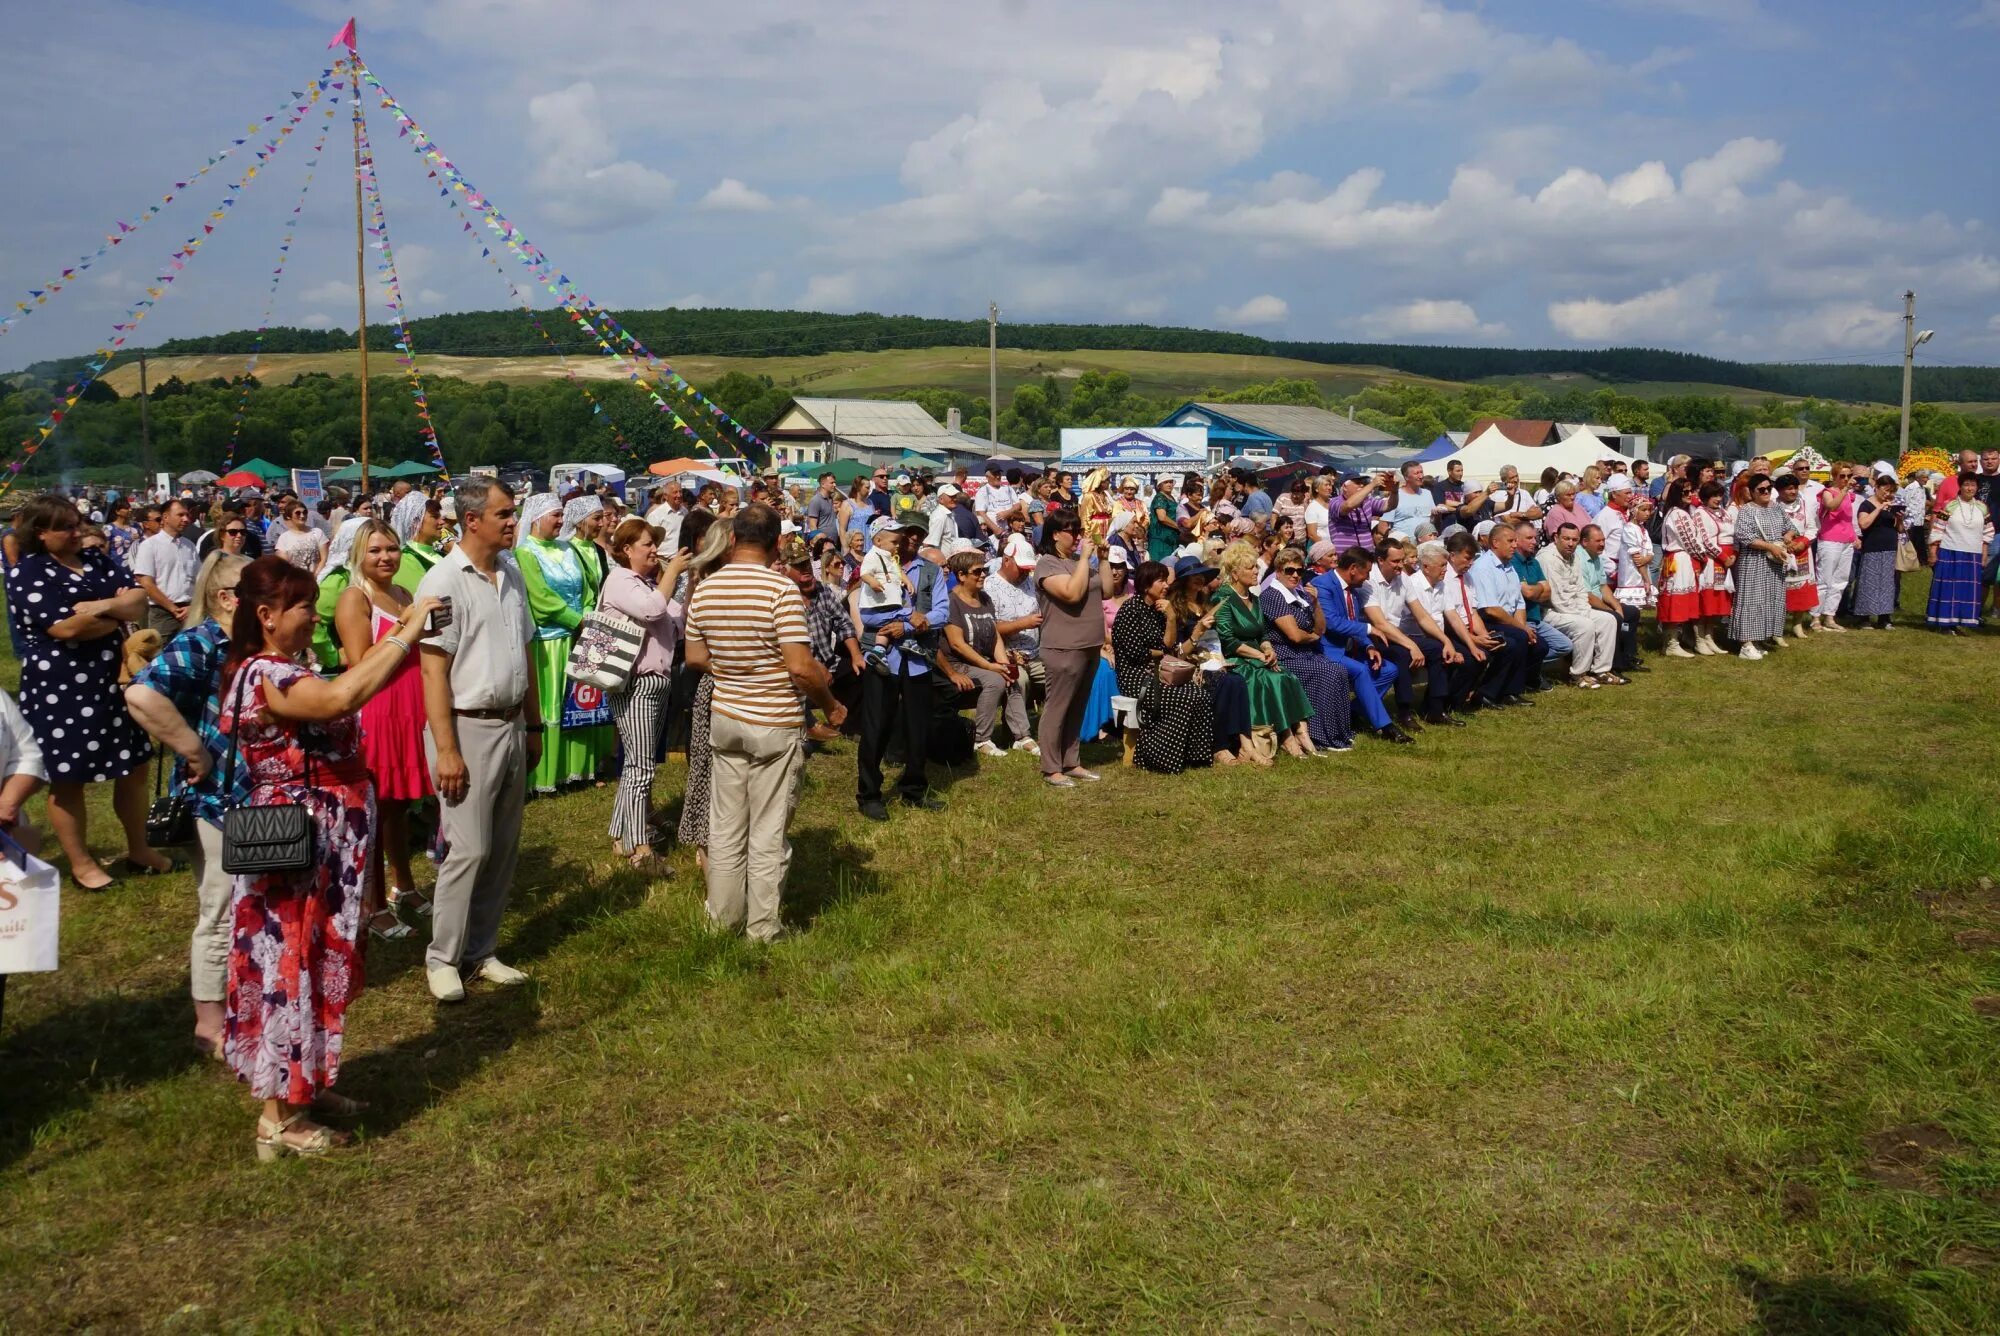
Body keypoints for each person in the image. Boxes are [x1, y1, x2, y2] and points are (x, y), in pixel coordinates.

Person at [214, 556, 440, 1159]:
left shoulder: (283, 667)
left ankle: (304, 1087)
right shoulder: (268, 673)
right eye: (304, 607)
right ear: (266, 615)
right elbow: (343, 695)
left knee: (316, 963)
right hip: (296, 847)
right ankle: (277, 1117)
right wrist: (405, 634)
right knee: (288, 966)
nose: (315, 617)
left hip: (325, 845)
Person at [683, 504, 843, 942]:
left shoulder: (706, 588)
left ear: (732, 539)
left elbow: (695, 657)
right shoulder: (780, 590)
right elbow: (800, 667)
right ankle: (762, 930)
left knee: (727, 829)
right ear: (776, 544)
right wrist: (830, 704)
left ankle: (722, 922)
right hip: (773, 720)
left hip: (726, 718)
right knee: (768, 833)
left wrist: (734, 671)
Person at [415, 479, 540, 1003]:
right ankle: (443, 957)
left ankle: (481, 950)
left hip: (511, 723)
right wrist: (446, 748)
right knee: (469, 848)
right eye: (504, 513)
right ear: (472, 520)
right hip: (466, 726)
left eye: (514, 513)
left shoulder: (510, 571)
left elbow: (526, 650)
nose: (514, 522)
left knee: (503, 847)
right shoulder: (443, 582)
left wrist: (533, 725)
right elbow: (432, 671)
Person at [7, 495, 169, 891]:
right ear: (40, 533)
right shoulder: (26, 573)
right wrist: (112, 619)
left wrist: (102, 606)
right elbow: (64, 629)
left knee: (133, 767)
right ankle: (82, 865)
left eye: (78, 523)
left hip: (111, 681)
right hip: (59, 689)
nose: (77, 531)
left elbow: (136, 601)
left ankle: (139, 849)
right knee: (69, 777)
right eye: (65, 526)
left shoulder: (96, 561)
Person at [124, 551, 249, 1058]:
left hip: (249, 795)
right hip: (213, 798)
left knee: (249, 902)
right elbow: (142, 695)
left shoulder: (246, 642)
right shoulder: (202, 642)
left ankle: (246, 998)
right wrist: (190, 747)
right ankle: (209, 1023)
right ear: (226, 598)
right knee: (218, 908)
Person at [331, 520, 437, 941]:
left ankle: (403, 884)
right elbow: (360, 661)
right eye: (375, 550)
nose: (386, 557)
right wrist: (404, 625)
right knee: (375, 809)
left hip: (410, 705)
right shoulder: (354, 598)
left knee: (398, 805)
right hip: (378, 710)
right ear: (360, 554)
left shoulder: (402, 594)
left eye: (392, 549)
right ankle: (370, 906)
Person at [597, 516, 687, 874]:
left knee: (638, 763)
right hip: (636, 683)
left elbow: (679, 620)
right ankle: (640, 849)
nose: (654, 550)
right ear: (625, 550)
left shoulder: (647, 584)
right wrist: (673, 572)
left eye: (655, 543)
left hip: (655, 682)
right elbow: (653, 609)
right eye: (647, 544)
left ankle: (622, 836)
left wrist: (688, 578)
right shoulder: (621, 581)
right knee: (640, 767)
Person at [515, 493, 611, 793]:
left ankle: (577, 768)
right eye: (555, 515)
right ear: (535, 519)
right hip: (548, 642)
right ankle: (545, 774)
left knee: (577, 702)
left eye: (561, 515)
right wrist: (577, 621)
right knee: (551, 704)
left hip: (576, 636)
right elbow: (540, 598)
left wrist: (586, 615)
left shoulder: (568, 548)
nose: (560, 521)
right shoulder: (526, 553)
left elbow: (585, 588)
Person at [1033, 507, 1121, 788]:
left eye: (1079, 531)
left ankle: (1071, 761)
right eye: (1072, 532)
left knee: (1077, 708)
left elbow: (1106, 590)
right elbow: (1071, 593)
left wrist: (1103, 559)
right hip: (1062, 647)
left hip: (1089, 645)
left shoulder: (1080, 562)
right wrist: (1084, 558)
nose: (1078, 537)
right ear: (1056, 534)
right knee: (1058, 708)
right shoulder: (1047, 564)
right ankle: (1051, 767)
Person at [1307, 543, 1412, 744]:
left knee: (1389, 670)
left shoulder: (1353, 590)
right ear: (1353, 569)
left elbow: (1354, 622)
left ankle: (1352, 713)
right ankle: (1386, 726)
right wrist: (1370, 630)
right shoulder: (1323, 585)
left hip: (1350, 650)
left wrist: (1369, 645)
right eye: (1366, 572)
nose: (1367, 578)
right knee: (1361, 671)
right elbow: (1332, 623)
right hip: (1326, 650)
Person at [675, 520, 735, 862]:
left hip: (721, 681)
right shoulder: (706, 583)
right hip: (716, 681)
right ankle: (706, 843)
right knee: (709, 766)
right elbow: (697, 653)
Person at [1259, 546, 1353, 756]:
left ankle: (1338, 733)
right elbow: (1294, 635)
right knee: (1329, 673)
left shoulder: (1299, 595)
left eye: (1299, 571)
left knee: (1339, 670)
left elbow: (1320, 628)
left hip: (1305, 653)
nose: (1295, 575)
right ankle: (1320, 735)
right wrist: (1312, 636)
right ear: (1278, 571)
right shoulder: (1272, 596)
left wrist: (1316, 603)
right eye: (1289, 570)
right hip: (1284, 656)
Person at [941, 549, 1033, 759]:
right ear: (961, 575)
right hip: (957, 663)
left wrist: (1002, 662)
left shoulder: (984, 598)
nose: (983, 574)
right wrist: (991, 666)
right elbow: (957, 644)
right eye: (977, 571)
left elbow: (994, 636)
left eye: (984, 570)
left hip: (982, 660)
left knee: (1010, 674)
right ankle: (981, 739)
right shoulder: (951, 602)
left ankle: (1022, 736)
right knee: (994, 680)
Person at [1461, 526, 1547, 706]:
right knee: (1516, 640)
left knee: (1539, 645)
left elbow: (1519, 603)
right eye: (1510, 541)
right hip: (1488, 621)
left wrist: (1523, 627)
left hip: (1508, 621)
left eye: (1515, 541)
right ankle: (1488, 692)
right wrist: (1522, 629)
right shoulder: (1483, 567)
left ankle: (1513, 687)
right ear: (1495, 543)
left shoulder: (1509, 567)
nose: (1515, 545)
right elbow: (1491, 609)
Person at [1537, 523, 1622, 688]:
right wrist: (1582, 613)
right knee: (1585, 625)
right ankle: (1578, 674)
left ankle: (1601, 670)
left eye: (1574, 539)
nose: (1570, 543)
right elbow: (1557, 598)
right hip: (1551, 611)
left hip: (1575, 608)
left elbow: (1581, 589)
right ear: (1556, 538)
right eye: (1566, 538)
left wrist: (1584, 609)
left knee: (1608, 620)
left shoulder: (1574, 556)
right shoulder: (1547, 558)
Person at [1396, 541, 1471, 725]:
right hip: (1413, 638)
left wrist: (1470, 644)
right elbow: (1423, 621)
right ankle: (1435, 709)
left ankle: (1441, 705)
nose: (1446, 569)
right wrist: (1448, 645)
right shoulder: (1413, 585)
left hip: (1435, 638)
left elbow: (1452, 615)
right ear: (1427, 567)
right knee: (1442, 652)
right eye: (1442, 565)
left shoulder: (1441, 585)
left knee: (1471, 656)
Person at [1727, 474, 1794, 659]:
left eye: (1768, 489)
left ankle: (1758, 639)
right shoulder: (1747, 510)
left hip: (1774, 561)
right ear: (1752, 491)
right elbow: (1744, 536)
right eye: (1761, 490)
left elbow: (1790, 526)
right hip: (1754, 561)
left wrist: (1787, 536)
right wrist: (1770, 545)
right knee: (1751, 599)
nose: (1766, 492)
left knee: (1771, 598)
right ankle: (1745, 643)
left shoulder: (1776, 507)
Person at [1927, 473, 1991, 634]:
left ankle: (1957, 622)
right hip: (1950, 552)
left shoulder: (1982, 508)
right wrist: (1933, 552)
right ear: (1960, 487)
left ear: (1977, 488)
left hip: (1972, 555)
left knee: (1965, 591)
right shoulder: (1949, 506)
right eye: (1966, 485)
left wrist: (1984, 554)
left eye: (1973, 485)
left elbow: (1988, 532)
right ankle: (1944, 623)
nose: (1969, 488)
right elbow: (1938, 528)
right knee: (1949, 589)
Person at [129, 497, 199, 641]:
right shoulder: (150, 546)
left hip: (190, 611)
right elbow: (146, 582)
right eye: (180, 515)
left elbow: (199, 579)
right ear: (166, 518)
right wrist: (173, 608)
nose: (186, 519)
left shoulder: (189, 546)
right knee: (160, 655)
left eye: (187, 515)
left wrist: (193, 606)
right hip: (163, 613)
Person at [1851, 471, 1903, 629]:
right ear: (1877, 488)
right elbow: (1864, 524)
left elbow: (1900, 529)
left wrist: (1899, 517)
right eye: (1885, 490)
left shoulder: (1891, 506)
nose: (1888, 494)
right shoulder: (1867, 504)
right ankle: (1864, 617)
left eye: (1891, 491)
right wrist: (1879, 508)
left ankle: (1884, 617)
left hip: (1889, 548)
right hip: (1872, 548)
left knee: (1887, 583)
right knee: (1869, 582)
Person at [1812, 464, 1859, 632]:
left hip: (1846, 540)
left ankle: (1830, 615)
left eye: (1848, 476)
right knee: (1824, 579)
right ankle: (1815, 617)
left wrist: (1854, 537)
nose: (1846, 479)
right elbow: (1832, 506)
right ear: (1834, 476)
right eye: (1842, 476)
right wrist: (1844, 491)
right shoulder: (1828, 493)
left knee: (1840, 580)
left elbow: (1847, 519)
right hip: (1830, 540)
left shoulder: (1849, 496)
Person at [389, 491, 446, 592]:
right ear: (416, 522)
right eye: (435, 517)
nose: (442, 522)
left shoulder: (440, 554)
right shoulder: (404, 560)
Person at [272, 499, 328, 573]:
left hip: (317, 579)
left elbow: (324, 558)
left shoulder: (317, 532)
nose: (302, 515)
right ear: (289, 516)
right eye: (298, 513)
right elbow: (284, 564)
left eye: (304, 512)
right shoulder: (284, 538)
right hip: (294, 580)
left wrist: (315, 576)